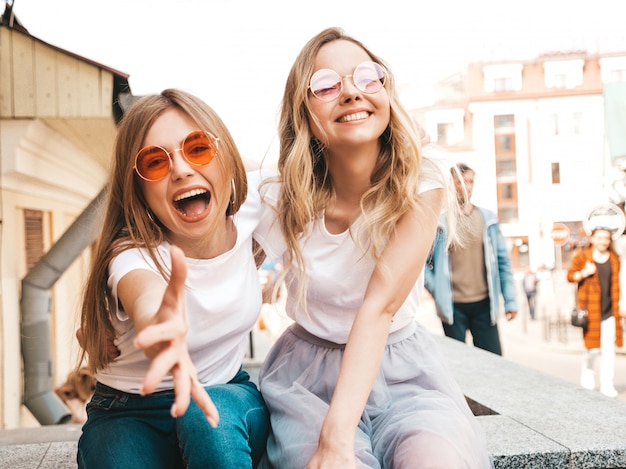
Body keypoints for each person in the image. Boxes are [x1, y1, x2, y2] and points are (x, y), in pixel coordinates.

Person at [253, 27, 493, 468]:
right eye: (325, 85)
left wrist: (337, 440)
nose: (350, 92)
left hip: (403, 370)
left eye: (367, 77)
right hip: (308, 377)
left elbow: (380, 306)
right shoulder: (279, 196)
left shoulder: (421, 181)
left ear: (385, 91)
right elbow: (223, 271)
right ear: (303, 114)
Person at [76, 89, 269, 468]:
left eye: (197, 148)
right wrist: (160, 324)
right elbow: (145, 294)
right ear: (140, 191)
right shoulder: (132, 254)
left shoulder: (260, 205)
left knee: (206, 419)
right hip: (128, 410)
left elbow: (332, 170)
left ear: (225, 155)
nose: (180, 169)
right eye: (155, 162)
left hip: (224, 393)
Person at [424, 163, 518, 356]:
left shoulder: (487, 219)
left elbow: (503, 262)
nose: (466, 186)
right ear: (450, 185)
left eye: (469, 181)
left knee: (493, 364)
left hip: (484, 305)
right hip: (453, 307)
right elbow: (423, 263)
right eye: (459, 182)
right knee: (459, 367)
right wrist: (436, 289)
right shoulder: (439, 222)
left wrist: (510, 301)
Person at [567, 226, 624, 398]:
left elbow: (619, 283)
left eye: (606, 238)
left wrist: (622, 304)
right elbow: (570, 276)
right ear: (592, 239)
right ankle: (588, 376)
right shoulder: (583, 257)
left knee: (609, 350)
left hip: (610, 312)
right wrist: (584, 272)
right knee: (592, 349)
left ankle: (607, 385)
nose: (603, 241)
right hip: (590, 312)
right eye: (599, 238)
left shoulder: (614, 258)